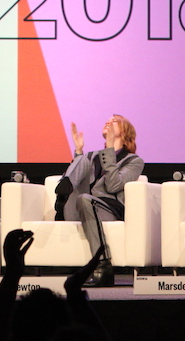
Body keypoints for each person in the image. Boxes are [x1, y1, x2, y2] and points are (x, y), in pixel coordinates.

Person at [60, 114, 144, 287]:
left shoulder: (134, 161)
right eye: (107, 120)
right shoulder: (91, 157)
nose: (108, 122)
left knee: (85, 199)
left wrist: (109, 151)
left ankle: (104, 265)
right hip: (80, 206)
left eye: (114, 121)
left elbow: (114, 186)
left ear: (125, 131)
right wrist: (78, 152)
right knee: (82, 159)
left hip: (108, 210)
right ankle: (64, 188)